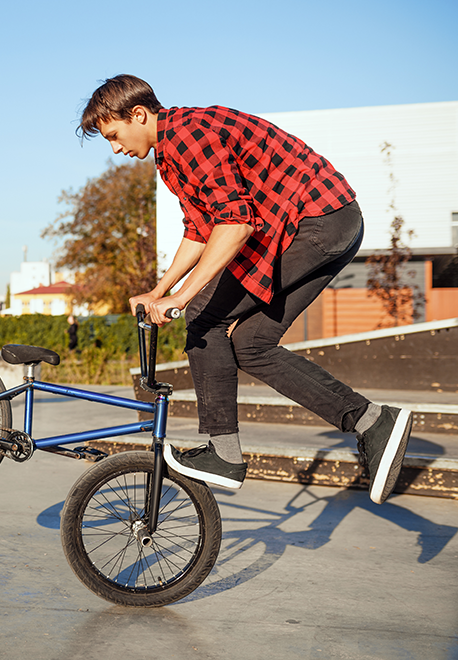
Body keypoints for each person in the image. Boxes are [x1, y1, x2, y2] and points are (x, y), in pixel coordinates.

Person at [78, 74, 412, 504]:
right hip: (327, 222)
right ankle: (372, 421)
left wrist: (181, 299)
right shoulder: (170, 156)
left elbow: (234, 224)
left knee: (202, 317)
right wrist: (159, 289)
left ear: (138, 114)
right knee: (252, 343)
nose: (116, 149)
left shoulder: (190, 136)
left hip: (316, 222)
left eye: (114, 135)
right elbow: (200, 230)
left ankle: (224, 454)